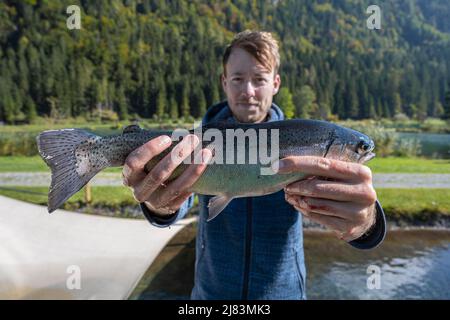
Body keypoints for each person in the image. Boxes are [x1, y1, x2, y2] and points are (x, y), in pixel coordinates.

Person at [122, 30, 386, 300]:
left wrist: (366, 222)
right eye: (238, 79)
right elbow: (177, 205)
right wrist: (159, 205)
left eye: (259, 79)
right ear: (224, 82)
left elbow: (351, 203)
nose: (248, 91)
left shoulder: (310, 146)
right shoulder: (195, 141)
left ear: (275, 83)